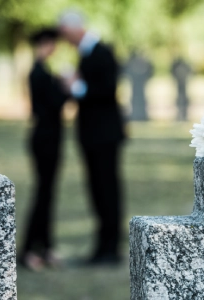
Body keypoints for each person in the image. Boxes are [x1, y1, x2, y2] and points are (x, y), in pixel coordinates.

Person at [58, 11, 125, 265]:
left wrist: (76, 86)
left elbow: (107, 90)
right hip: (92, 135)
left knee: (107, 190)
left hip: (104, 136)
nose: (65, 40)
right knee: (97, 190)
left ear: (75, 29)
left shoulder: (102, 52)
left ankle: (110, 248)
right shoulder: (87, 53)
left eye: (65, 34)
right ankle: (102, 247)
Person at [21, 28, 68, 271]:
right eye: (51, 43)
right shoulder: (39, 72)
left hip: (52, 137)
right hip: (45, 139)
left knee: (48, 194)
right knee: (42, 193)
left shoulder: (44, 71)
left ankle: (46, 246)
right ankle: (29, 249)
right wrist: (66, 87)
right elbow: (51, 106)